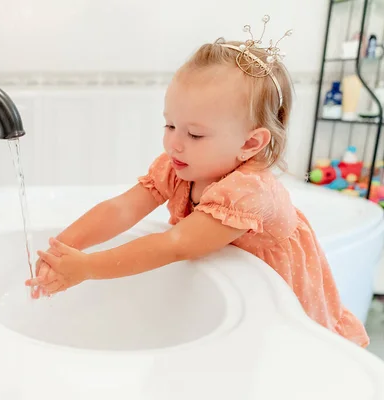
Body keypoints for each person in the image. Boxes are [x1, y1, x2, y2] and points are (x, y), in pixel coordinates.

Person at [25, 17, 370, 348]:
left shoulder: (248, 191)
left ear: (250, 144)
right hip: (232, 280)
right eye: (170, 125)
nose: (174, 142)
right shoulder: (180, 165)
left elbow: (175, 244)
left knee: (276, 357)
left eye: (194, 133)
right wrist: (65, 247)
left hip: (276, 291)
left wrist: (86, 268)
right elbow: (123, 207)